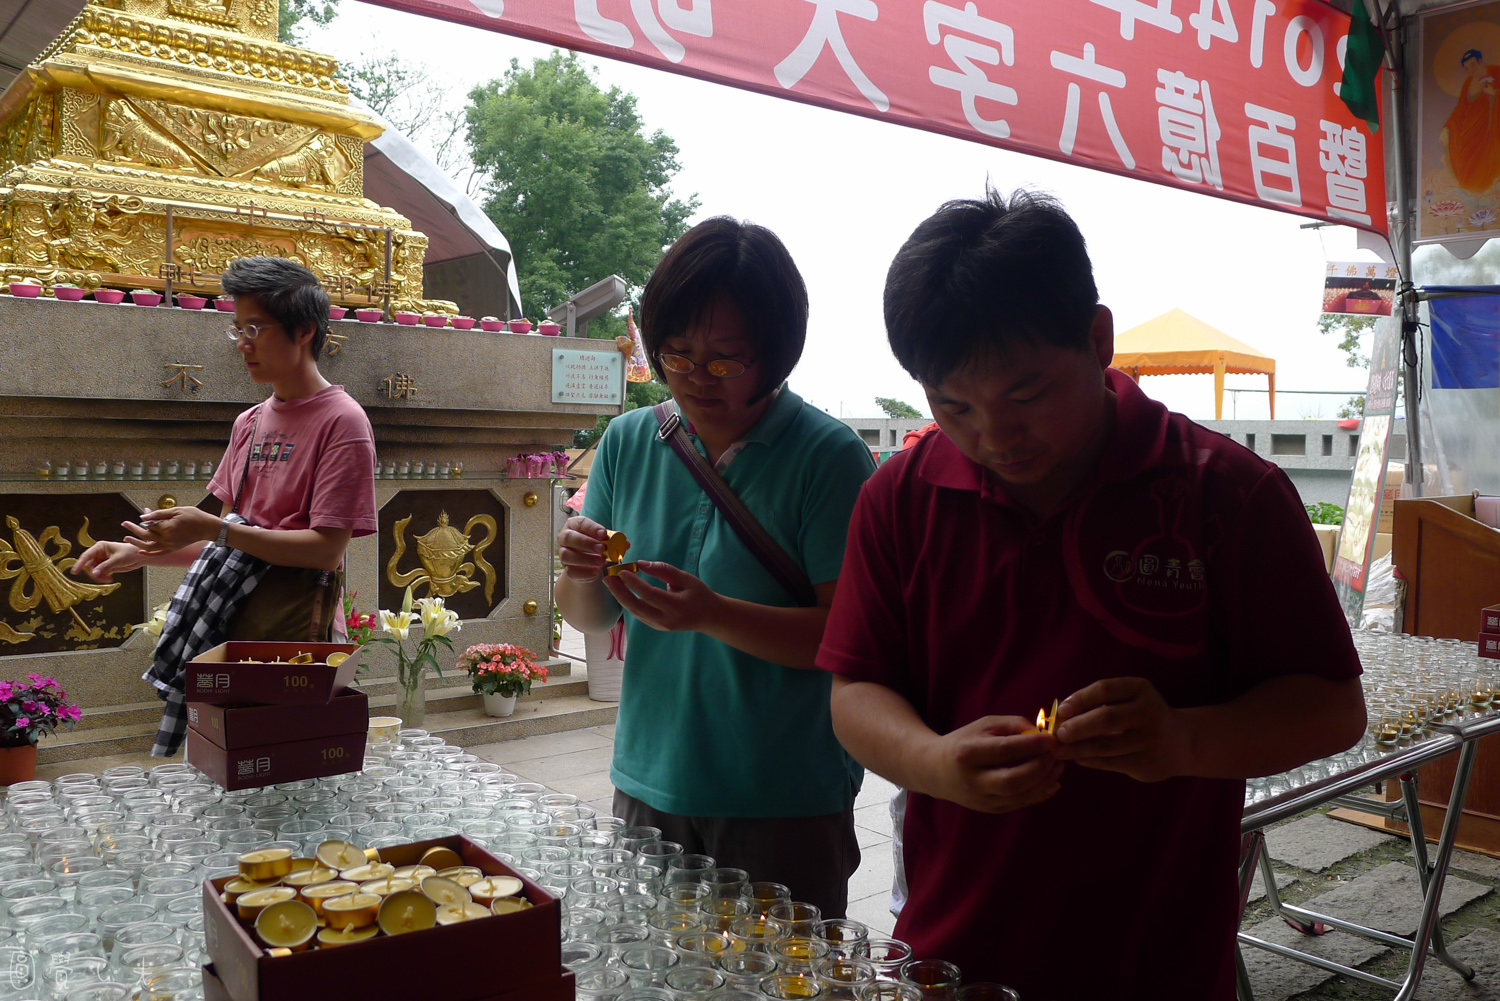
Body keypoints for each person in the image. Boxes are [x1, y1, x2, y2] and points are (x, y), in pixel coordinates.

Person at [819, 189, 1366, 997]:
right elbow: (855, 692)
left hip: (1157, 963)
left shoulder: (1225, 492)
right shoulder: (901, 497)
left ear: (1099, 339)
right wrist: (933, 761)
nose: (994, 436)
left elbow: (1333, 708)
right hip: (951, 954)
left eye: (1026, 394)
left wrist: (1181, 738)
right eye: (953, 405)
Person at [555, 217, 875, 916]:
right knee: (646, 966)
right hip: (649, 781)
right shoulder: (629, 441)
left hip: (782, 797)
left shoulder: (827, 458)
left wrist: (714, 614)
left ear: (777, 353)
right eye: (677, 353)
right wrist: (580, 569)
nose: (696, 377)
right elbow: (590, 615)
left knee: (777, 969)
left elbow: (847, 637)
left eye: (726, 359)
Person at [74, 256, 377, 755]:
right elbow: (227, 549)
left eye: (255, 328)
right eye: (237, 328)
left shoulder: (342, 422)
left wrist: (214, 530)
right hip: (225, 627)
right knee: (226, 764)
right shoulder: (249, 423)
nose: (242, 343)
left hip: (291, 638)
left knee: (282, 764)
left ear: (304, 330)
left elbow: (325, 550)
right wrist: (138, 552)